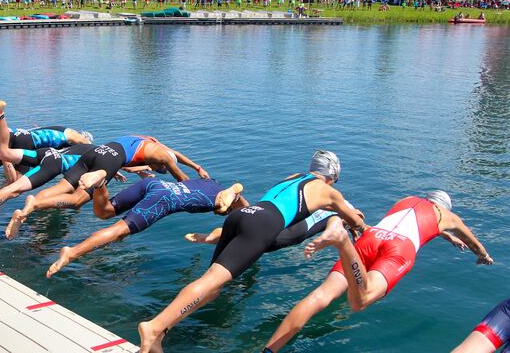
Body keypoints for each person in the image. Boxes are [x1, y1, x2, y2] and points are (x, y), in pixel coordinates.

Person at [136, 150, 367, 352]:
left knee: (211, 289)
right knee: (211, 282)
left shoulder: (294, 177)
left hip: (243, 215)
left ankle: (160, 334)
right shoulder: (329, 192)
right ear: (333, 176)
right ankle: (154, 326)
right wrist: (359, 224)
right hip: (263, 224)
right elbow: (355, 220)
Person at [264, 190, 493, 353]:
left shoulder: (407, 200)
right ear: (445, 207)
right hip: (399, 249)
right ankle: (343, 242)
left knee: (321, 295)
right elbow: (474, 243)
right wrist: (484, 256)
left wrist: (447, 236)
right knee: (360, 301)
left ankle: (269, 349)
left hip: (371, 237)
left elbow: (415, 220)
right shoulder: (449, 217)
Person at [5, 134, 210, 240]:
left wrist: (197, 167)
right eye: (159, 169)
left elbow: (167, 154)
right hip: (108, 163)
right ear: (163, 164)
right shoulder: (164, 158)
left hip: (95, 152)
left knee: (63, 187)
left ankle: (31, 205)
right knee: (77, 201)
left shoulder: (147, 141)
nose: (154, 169)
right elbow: (183, 180)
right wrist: (203, 192)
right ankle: (35, 205)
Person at [46, 178, 243, 278]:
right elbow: (243, 213)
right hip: (164, 199)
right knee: (119, 230)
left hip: (154, 183)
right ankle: (71, 253)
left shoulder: (209, 182)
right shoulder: (220, 202)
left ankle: (100, 184)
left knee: (105, 212)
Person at [0, 104, 94, 242]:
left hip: (42, 151)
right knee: (21, 190)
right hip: (49, 159)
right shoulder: (87, 150)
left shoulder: (70, 143)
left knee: (3, 156)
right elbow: (75, 194)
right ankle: (31, 211)